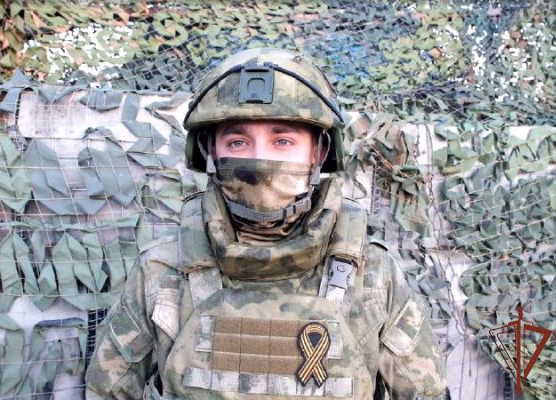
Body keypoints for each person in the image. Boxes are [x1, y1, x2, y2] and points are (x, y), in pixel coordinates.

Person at [85, 48, 447, 400]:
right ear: (211, 152)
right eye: (238, 142)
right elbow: (107, 390)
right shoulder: (162, 271)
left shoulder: (373, 275)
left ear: (319, 152)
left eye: (283, 141)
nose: (260, 161)